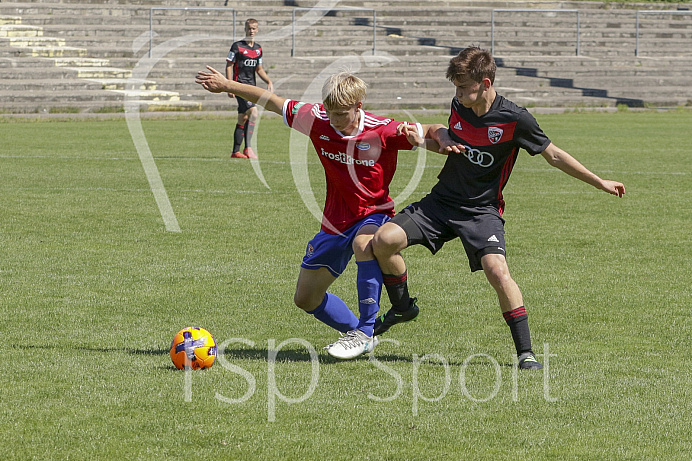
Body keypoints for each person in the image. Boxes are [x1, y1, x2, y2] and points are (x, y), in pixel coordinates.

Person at [371, 46, 626, 370]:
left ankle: (526, 354)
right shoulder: (459, 107)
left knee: (498, 271)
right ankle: (403, 307)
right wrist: (426, 141)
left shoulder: (515, 119)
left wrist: (598, 180)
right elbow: (449, 145)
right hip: (441, 202)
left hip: (482, 211)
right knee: (383, 241)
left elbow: (555, 155)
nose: (458, 94)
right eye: (457, 88)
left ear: (486, 84)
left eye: (464, 88)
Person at [196, 65, 440, 360]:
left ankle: (365, 330)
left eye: (341, 113)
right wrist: (227, 85)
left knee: (364, 244)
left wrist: (434, 140)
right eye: (330, 111)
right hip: (334, 222)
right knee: (306, 298)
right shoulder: (316, 118)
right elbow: (271, 100)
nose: (334, 120)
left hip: (373, 214)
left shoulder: (382, 128)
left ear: (358, 106)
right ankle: (358, 334)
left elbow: (426, 133)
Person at [226, 18, 274, 159]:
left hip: (251, 87)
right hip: (239, 86)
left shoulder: (258, 49)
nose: (251, 31)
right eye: (249, 28)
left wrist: (268, 81)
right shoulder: (237, 46)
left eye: (254, 28)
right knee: (254, 113)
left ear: (257, 30)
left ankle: (235, 152)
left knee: (243, 117)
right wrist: (230, 85)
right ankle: (248, 148)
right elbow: (229, 65)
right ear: (245, 29)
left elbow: (259, 69)